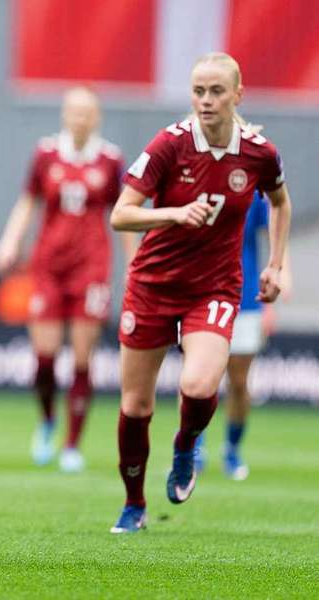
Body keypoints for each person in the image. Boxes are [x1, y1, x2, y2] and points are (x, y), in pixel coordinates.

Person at [109, 52, 291, 533]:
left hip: (214, 286)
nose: (206, 101)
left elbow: (280, 201)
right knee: (136, 405)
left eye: (215, 91)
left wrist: (275, 264)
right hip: (153, 284)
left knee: (199, 385)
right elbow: (121, 214)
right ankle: (134, 504)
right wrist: (171, 213)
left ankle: (186, 444)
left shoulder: (258, 152)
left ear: (237, 95)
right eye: (198, 91)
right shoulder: (169, 144)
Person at [0, 87, 132, 472]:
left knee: (83, 358)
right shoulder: (46, 153)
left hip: (91, 268)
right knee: (44, 360)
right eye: (74, 112)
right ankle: (48, 419)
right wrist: (10, 240)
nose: (80, 120)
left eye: (87, 113)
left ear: (97, 118)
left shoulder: (110, 159)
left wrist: (134, 262)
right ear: (65, 116)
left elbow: (123, 214)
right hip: (49, 267)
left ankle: (72, 443)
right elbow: (28, 201)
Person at [193, 189, 291, 480]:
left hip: (246, 297)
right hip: (201, 295)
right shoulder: (196, 181)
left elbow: (274, 227)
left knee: (237, 382)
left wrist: (280, 274)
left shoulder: (254, 189)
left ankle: (232, 450)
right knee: (198, 379)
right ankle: (193, 447)